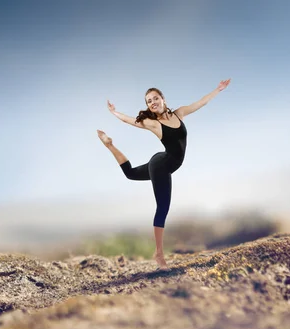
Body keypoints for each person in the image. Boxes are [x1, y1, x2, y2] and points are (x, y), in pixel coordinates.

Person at [97, 78, 231, 270]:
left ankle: (110, 145)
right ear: (149, 107)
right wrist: (113, 112)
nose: (152, 102)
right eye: (149, 101)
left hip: (162, 161)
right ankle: (159, 254)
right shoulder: (153, 124)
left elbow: (201, 102)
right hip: (162, 165)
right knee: (163, 207)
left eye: (155, 98)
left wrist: (218, 89)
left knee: (131, 174)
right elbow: (129, 120)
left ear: (163, 99)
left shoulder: (180, 113)